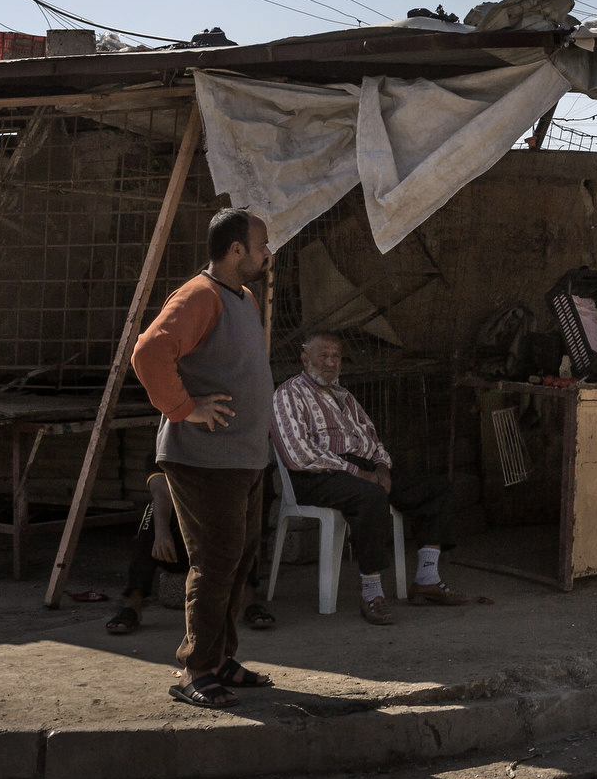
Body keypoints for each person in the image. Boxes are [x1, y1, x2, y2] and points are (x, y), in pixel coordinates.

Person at [129, 207, 276, 708]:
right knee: (214, 564)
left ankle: (219, 659)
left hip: (242, 459)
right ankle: (195, 669)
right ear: (235, 251)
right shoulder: (199, 295)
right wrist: (185, 409)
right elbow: (148, 354)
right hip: (204, 461)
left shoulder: (244, 297)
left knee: (236, 562)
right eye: (261, 245)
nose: (267, 253)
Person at [272, 329, 467, 624]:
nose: (330, 362)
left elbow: (372, 439)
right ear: (304, 358)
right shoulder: (288, 393)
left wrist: (381, 468)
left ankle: (427, 577)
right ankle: (372, 593)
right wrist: (359, 473)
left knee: (435, 488)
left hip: (361, 470)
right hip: (317, 476)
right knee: (371, 497)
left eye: (335, 356)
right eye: (322, 355)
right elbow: (299, 455)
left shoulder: (345, 397)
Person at [105, 465, 276, 636]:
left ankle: (249, 601)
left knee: (242, 511)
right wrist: (162, 532)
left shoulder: (227, 450)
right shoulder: (168, 445)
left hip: (218, 546)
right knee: (152, 512)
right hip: (180, 546)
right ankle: (133, 603)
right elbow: (161, 492)